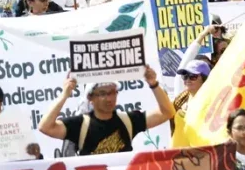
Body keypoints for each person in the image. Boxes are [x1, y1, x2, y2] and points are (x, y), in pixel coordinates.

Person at [37, 66, 175, 155]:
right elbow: (45, 127)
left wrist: (153, 83)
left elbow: (167, 112)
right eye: (103, 93)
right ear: (91, 97)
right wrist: (64, 94)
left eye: (112, 92)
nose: (109, 98)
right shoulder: (80, 125)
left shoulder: (128, 120)